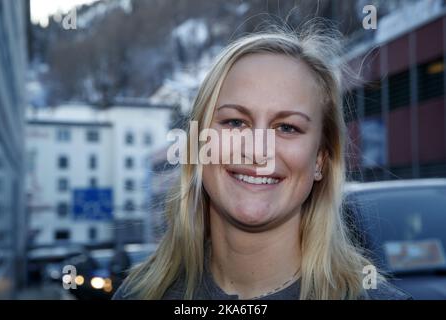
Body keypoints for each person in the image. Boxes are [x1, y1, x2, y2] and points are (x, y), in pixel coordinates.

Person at [113, 24, 412, 300]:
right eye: (234, 122)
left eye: (287, 128)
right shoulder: (140, 294)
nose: (258, 150)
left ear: (321, 158)